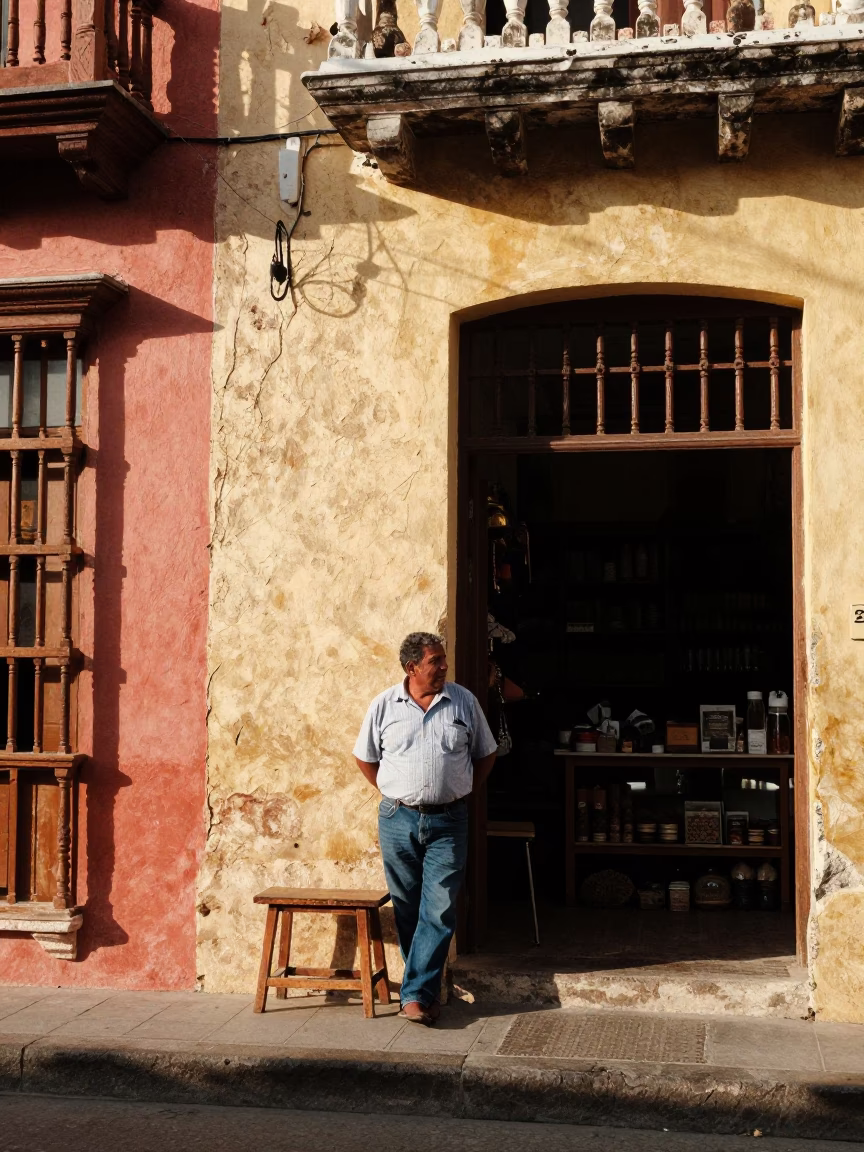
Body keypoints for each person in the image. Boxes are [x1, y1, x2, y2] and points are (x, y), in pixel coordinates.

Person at [353, 631, 498, 1026]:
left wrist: (463, 789)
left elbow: (486, 753)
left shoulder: (463, 702)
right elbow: (365, 758)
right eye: (435, 661)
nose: (444, 667)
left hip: (449, 820)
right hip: (398, 818)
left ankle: (414, 995)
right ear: (411, 667)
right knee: (407, 907)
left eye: (443, 660)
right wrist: (392, 791)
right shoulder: (384, 705)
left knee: (440, 908)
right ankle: (426, 992)